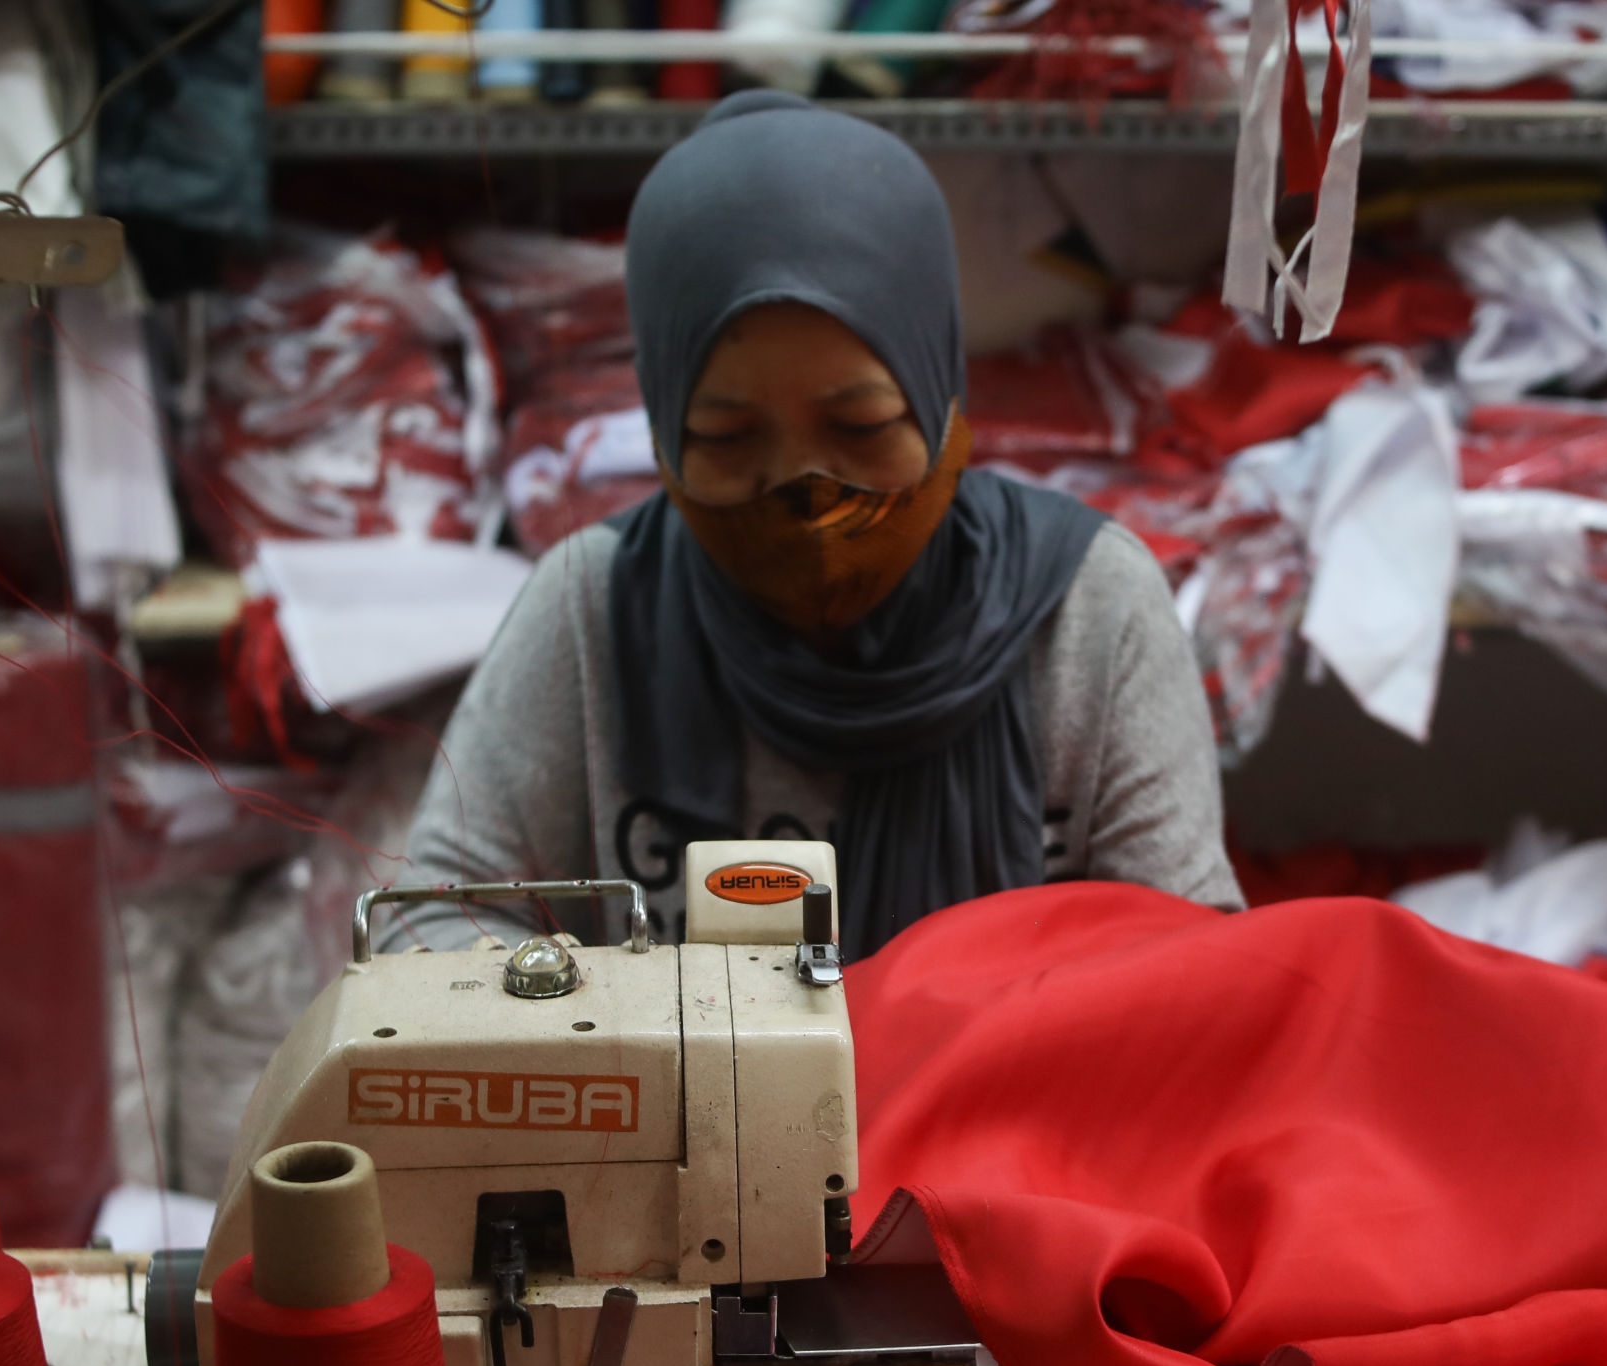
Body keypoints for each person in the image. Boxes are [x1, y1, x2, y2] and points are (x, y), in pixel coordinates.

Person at [401, 91, 1241, 956]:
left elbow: (1195, 966)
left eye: (863, 428)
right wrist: (583, 1011)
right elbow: (430, 917)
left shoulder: (1088, 610)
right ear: (660, 435)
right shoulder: (597, 606)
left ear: (942, 399)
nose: (806, 498)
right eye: (726, 437)